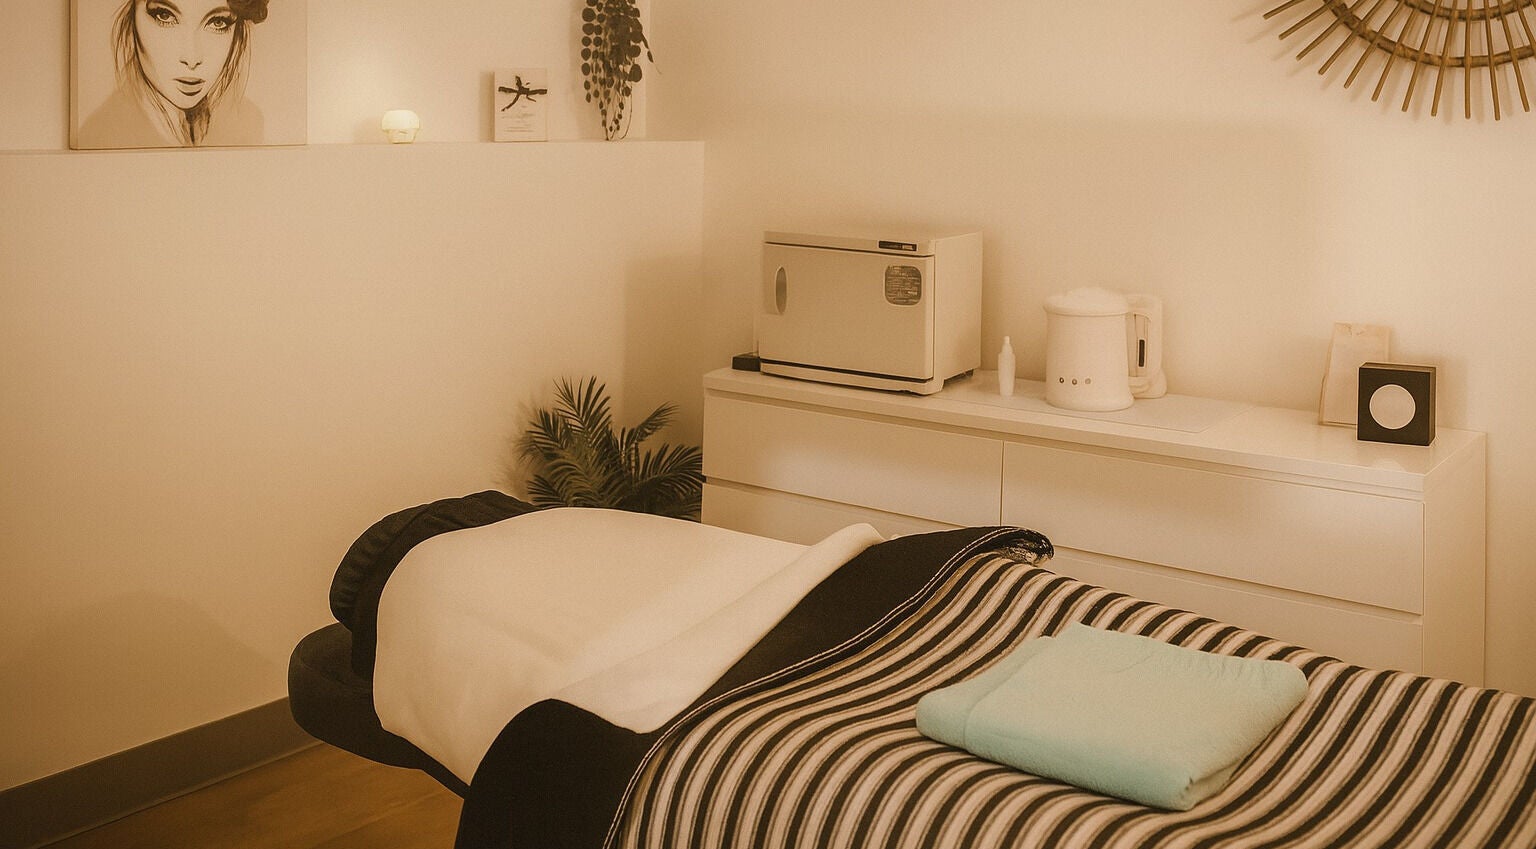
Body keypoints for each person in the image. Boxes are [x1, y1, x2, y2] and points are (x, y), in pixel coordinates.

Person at [75, 0, 269, 148]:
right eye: (164, 16)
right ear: (133, 14)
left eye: (218, 22)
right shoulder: (100, 134)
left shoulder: (250, 123)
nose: (191, 58)